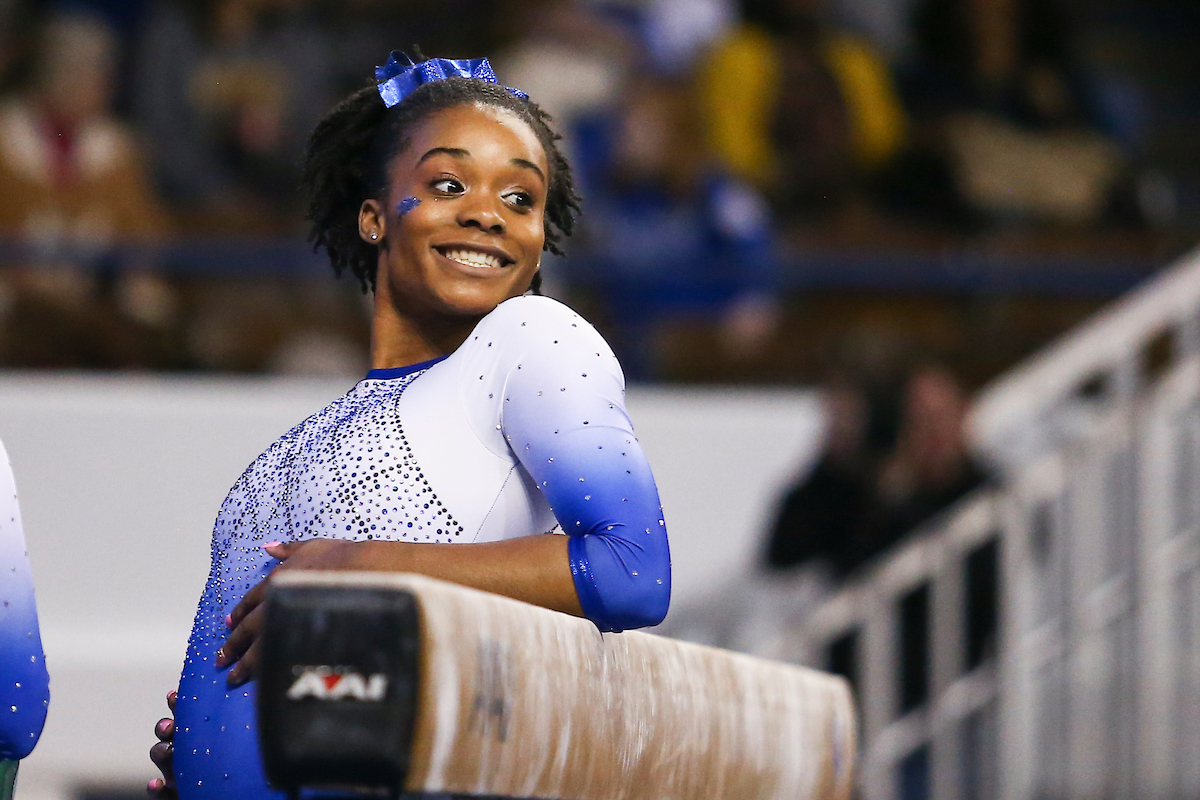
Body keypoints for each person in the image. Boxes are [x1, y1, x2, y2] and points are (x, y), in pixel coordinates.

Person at [147, 54, 672, 798]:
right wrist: (206, 750)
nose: (488, 212)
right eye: (449, 184)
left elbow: (633, 572)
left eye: (520, 198)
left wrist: (362, 565)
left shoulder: (528, 341)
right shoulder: (289, 452)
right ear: (373, 214)